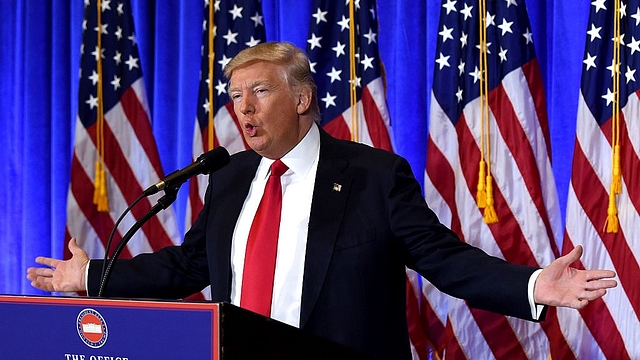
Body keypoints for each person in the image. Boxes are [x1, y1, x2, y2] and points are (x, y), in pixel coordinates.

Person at [27, 41, 617, 359]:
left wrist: (535, 284)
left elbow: (444, 259)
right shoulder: (230, 180)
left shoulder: (374, 175)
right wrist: (92, 278)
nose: (244, 109)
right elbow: (186, 266)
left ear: (304, 99)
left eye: (259, 91)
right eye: (236, 96)